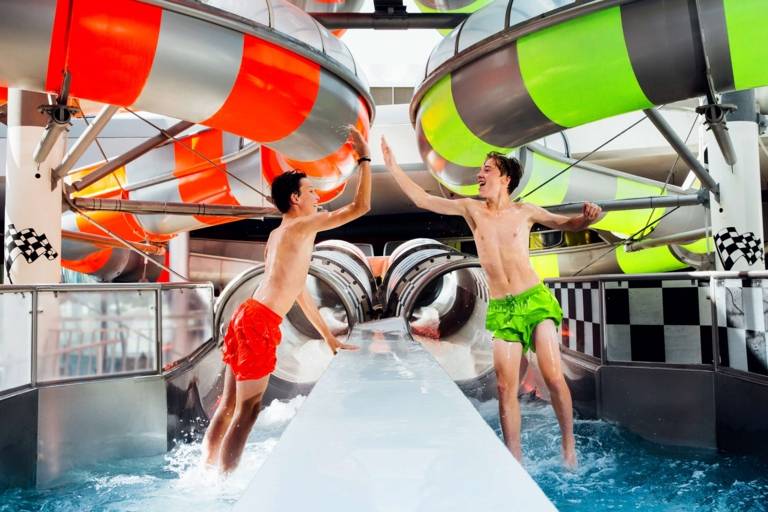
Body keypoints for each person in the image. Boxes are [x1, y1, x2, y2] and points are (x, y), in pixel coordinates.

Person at [381, 139, 601, 468]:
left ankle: (569, 448)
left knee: (553, 376)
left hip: (534, 300)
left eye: (487, 169)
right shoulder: (472, 210)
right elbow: (423, 199)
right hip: (502, 308)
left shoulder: (525, 212)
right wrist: (393, 166)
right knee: (503, 386)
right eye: (480, 170)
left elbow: (564, 222)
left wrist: (584, 221)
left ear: (505, 178)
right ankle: (514, 460)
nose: (479, 174)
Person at [201, 127, 372, 474]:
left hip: (246, 314)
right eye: (311, 192)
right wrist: (364, 158)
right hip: (258, 320)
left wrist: (328, 337)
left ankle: (207, 469)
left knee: (230, 405)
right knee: (247, 411)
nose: (317, 199)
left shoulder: (280, 234)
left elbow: (296, 293)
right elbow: (361, 206)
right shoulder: (299, 228)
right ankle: (222, 484)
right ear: (295, 199)